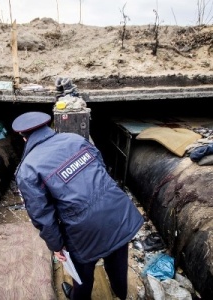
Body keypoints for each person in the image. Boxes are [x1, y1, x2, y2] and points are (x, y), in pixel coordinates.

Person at [12, 111, 144, 300]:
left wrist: (56, 246)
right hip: (118, 212)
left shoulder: (28, 169)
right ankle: (121, 294)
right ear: (47, 127)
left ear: (23, 138)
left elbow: (42, 216)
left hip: (84, 230)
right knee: (118, 266)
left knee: (82, 276)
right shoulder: (75, 139)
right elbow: (100, 166)